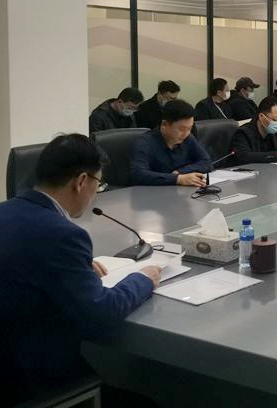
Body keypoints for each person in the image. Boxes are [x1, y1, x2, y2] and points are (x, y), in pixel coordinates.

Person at [0, 134, 161, 404]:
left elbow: (23, 262)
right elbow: (101, 313)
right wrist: (142, 279)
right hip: (31, 379)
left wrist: (75, 267)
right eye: (99, 184)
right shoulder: (63, 235)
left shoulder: (7, 212)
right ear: (81, 181)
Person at [131, 99, 213, 187]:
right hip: (150, 192)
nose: (186, 133)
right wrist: (178, 179)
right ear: (164, 124)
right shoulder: (144, 142)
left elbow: (206, 162)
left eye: (189, 128)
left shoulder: (188, 138)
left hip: (179, 191)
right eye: (181, 129)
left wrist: (180, 172)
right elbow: (138, 174)